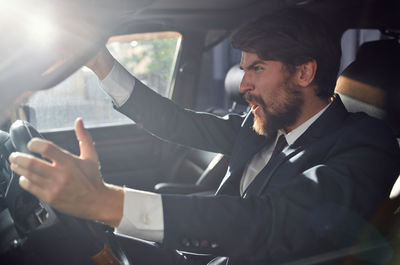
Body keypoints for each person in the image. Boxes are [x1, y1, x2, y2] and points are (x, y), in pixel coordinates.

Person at [8, 8, 400, 265]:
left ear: (304, 73)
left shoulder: (367, 146)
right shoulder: (262, 124)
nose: (243, 84)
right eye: (242, 68)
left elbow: (271, 221)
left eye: (257, 69)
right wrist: (100, 62)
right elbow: (176, 122)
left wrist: (107, 201)